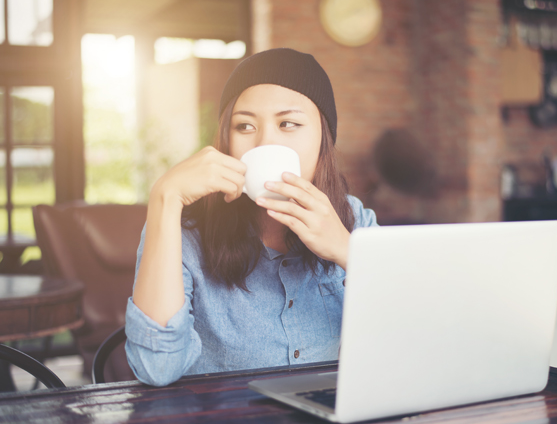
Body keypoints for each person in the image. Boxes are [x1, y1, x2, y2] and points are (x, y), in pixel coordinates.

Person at [125, 48, 379, 386]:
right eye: (244, 126)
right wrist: (164, 197)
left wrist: (349, 252)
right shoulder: (185, 231)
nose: (264, 143)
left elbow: (410, 339)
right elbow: (156, 369)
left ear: (323, 139)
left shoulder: (355, 219)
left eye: (288, 123)